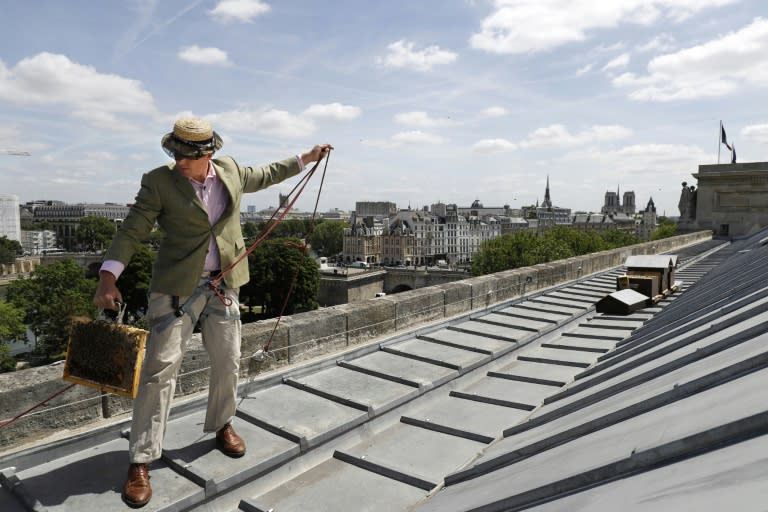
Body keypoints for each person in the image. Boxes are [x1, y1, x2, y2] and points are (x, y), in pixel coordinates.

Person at [93, 117, 332, 508]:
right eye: (174, 153)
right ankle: (141, 458)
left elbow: (267, 174)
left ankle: (223, 425)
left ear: (209, 153)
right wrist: (107, 276)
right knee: (159, 369)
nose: (179, 161)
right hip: (176, 287)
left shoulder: (231, 170)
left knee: (229, 361)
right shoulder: (158, 181)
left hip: (224, 282)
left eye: (186, 155)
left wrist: (306, 157)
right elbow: (132, 230)